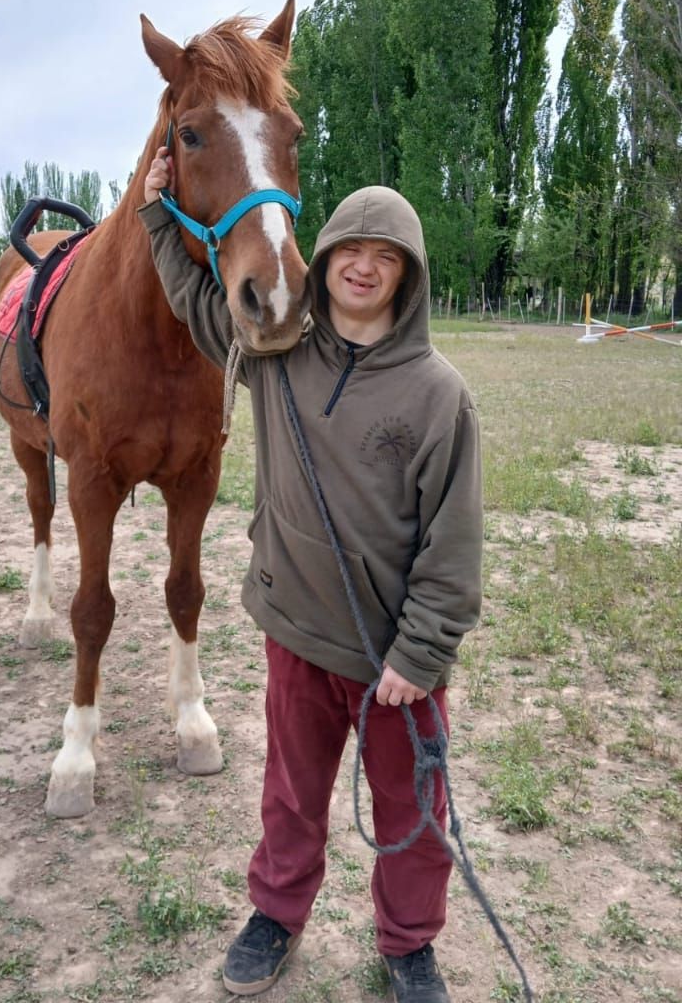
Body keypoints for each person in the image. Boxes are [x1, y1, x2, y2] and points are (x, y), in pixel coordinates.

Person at [139, 147, 483, 1003]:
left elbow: (454, 545)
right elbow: (195, 302)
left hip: (395, 667)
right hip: (295, 633)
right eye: (349, 251)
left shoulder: (439, 395)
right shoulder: (275, 349)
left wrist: (421, 653)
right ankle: (276, 914)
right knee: (291, 795)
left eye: (385, 256)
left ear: (408, 275)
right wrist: (155, 215)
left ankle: (409, 945)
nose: (364, 267)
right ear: (322, 260)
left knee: (413, 814)